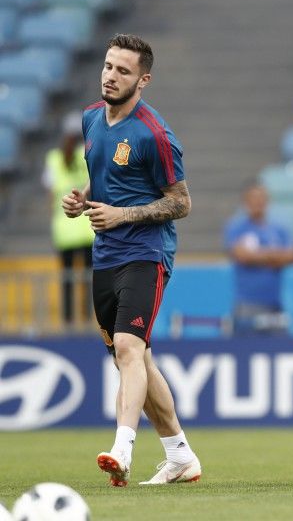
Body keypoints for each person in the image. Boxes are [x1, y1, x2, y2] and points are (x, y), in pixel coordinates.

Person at [62, 33, 202, 487]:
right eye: (108, 66)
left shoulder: (154, 134)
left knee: (127, 347)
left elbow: (181, 202)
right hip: (105, 255)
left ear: (143, 80)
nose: (110, 76)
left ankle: (122, 449)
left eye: (123, 71)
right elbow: (105, 177)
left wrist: (122, 215)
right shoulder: (90, 119)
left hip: (146, 253)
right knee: (136, 359)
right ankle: (180, 455)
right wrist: (82, 199)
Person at [223, 183, 293, 332]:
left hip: (275, 304)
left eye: (261, 198)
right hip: (248, 304)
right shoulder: (236, 227)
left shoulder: (279, 229)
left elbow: (292, 256)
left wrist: (257, 255)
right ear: (245, 201)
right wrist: (275, 256)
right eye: (253, 198)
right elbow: (242, 256)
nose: (258, 202)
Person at [43, 111, 96, 326]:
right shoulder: (88, 155)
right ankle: (87, 320)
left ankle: (68, 322)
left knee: (67, 280)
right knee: (88, 279)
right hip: (87, 228)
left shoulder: (54, 158)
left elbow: (50, 195)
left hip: (64, 230)